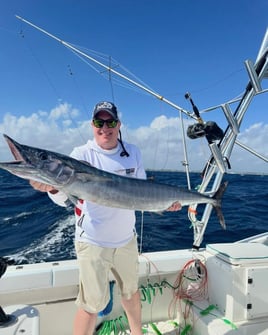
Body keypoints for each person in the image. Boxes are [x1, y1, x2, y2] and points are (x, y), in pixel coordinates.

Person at [30, 101, 181, 335]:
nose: (105, 127)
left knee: (131, 294)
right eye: (99, 122)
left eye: (110, 122)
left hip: (126, 240)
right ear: (92, 125)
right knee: (91, 305)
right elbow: (64, 198)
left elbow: (142, 191)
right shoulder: (80, 155)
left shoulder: (133, 152)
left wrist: (165, 203)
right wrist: (50, 188)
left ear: (118, 125)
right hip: (93, 242)